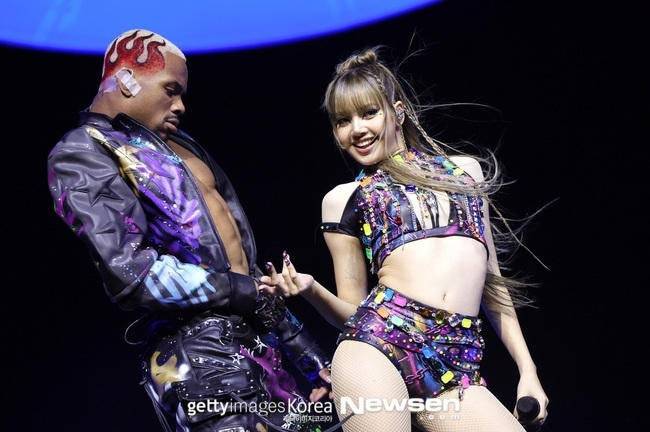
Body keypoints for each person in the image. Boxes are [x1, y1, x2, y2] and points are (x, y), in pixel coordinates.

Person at [47, 29, 331, 432]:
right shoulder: (83, 151)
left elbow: (246, 275)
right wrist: (238, 289)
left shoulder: (183, 146)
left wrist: (311, 359)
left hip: (262, 353)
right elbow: (130, 274)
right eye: (171, 90)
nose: (181, 105)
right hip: (198, 361)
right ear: (126, 80)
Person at [260, 48, 549, 432]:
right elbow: (353, 311)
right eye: (343, 121)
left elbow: (492, 286)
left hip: (454, 366)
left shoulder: (465, 172)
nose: (356, 129)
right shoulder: (344, 199)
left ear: (398, 112)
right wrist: (312, 290)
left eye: (368, 113)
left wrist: (527, 370)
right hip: (376, 347)